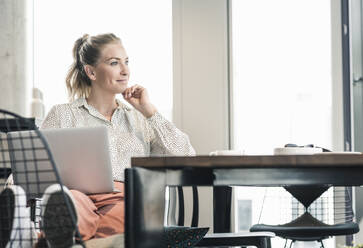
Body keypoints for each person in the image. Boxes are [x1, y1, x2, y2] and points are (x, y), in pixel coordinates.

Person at [37, 33, 195, 244]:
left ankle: (44, 240)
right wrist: (15, 188)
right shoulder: (62, 114)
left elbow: (185, 154)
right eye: (114, 63)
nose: (125, 70)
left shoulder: (139, 118)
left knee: (123, 216)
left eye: (126, 62)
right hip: (78, 194)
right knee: (71, 203)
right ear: (91, 72)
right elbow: (35, 164)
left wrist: (149, 111)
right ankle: (62, 234)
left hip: (122, 198)